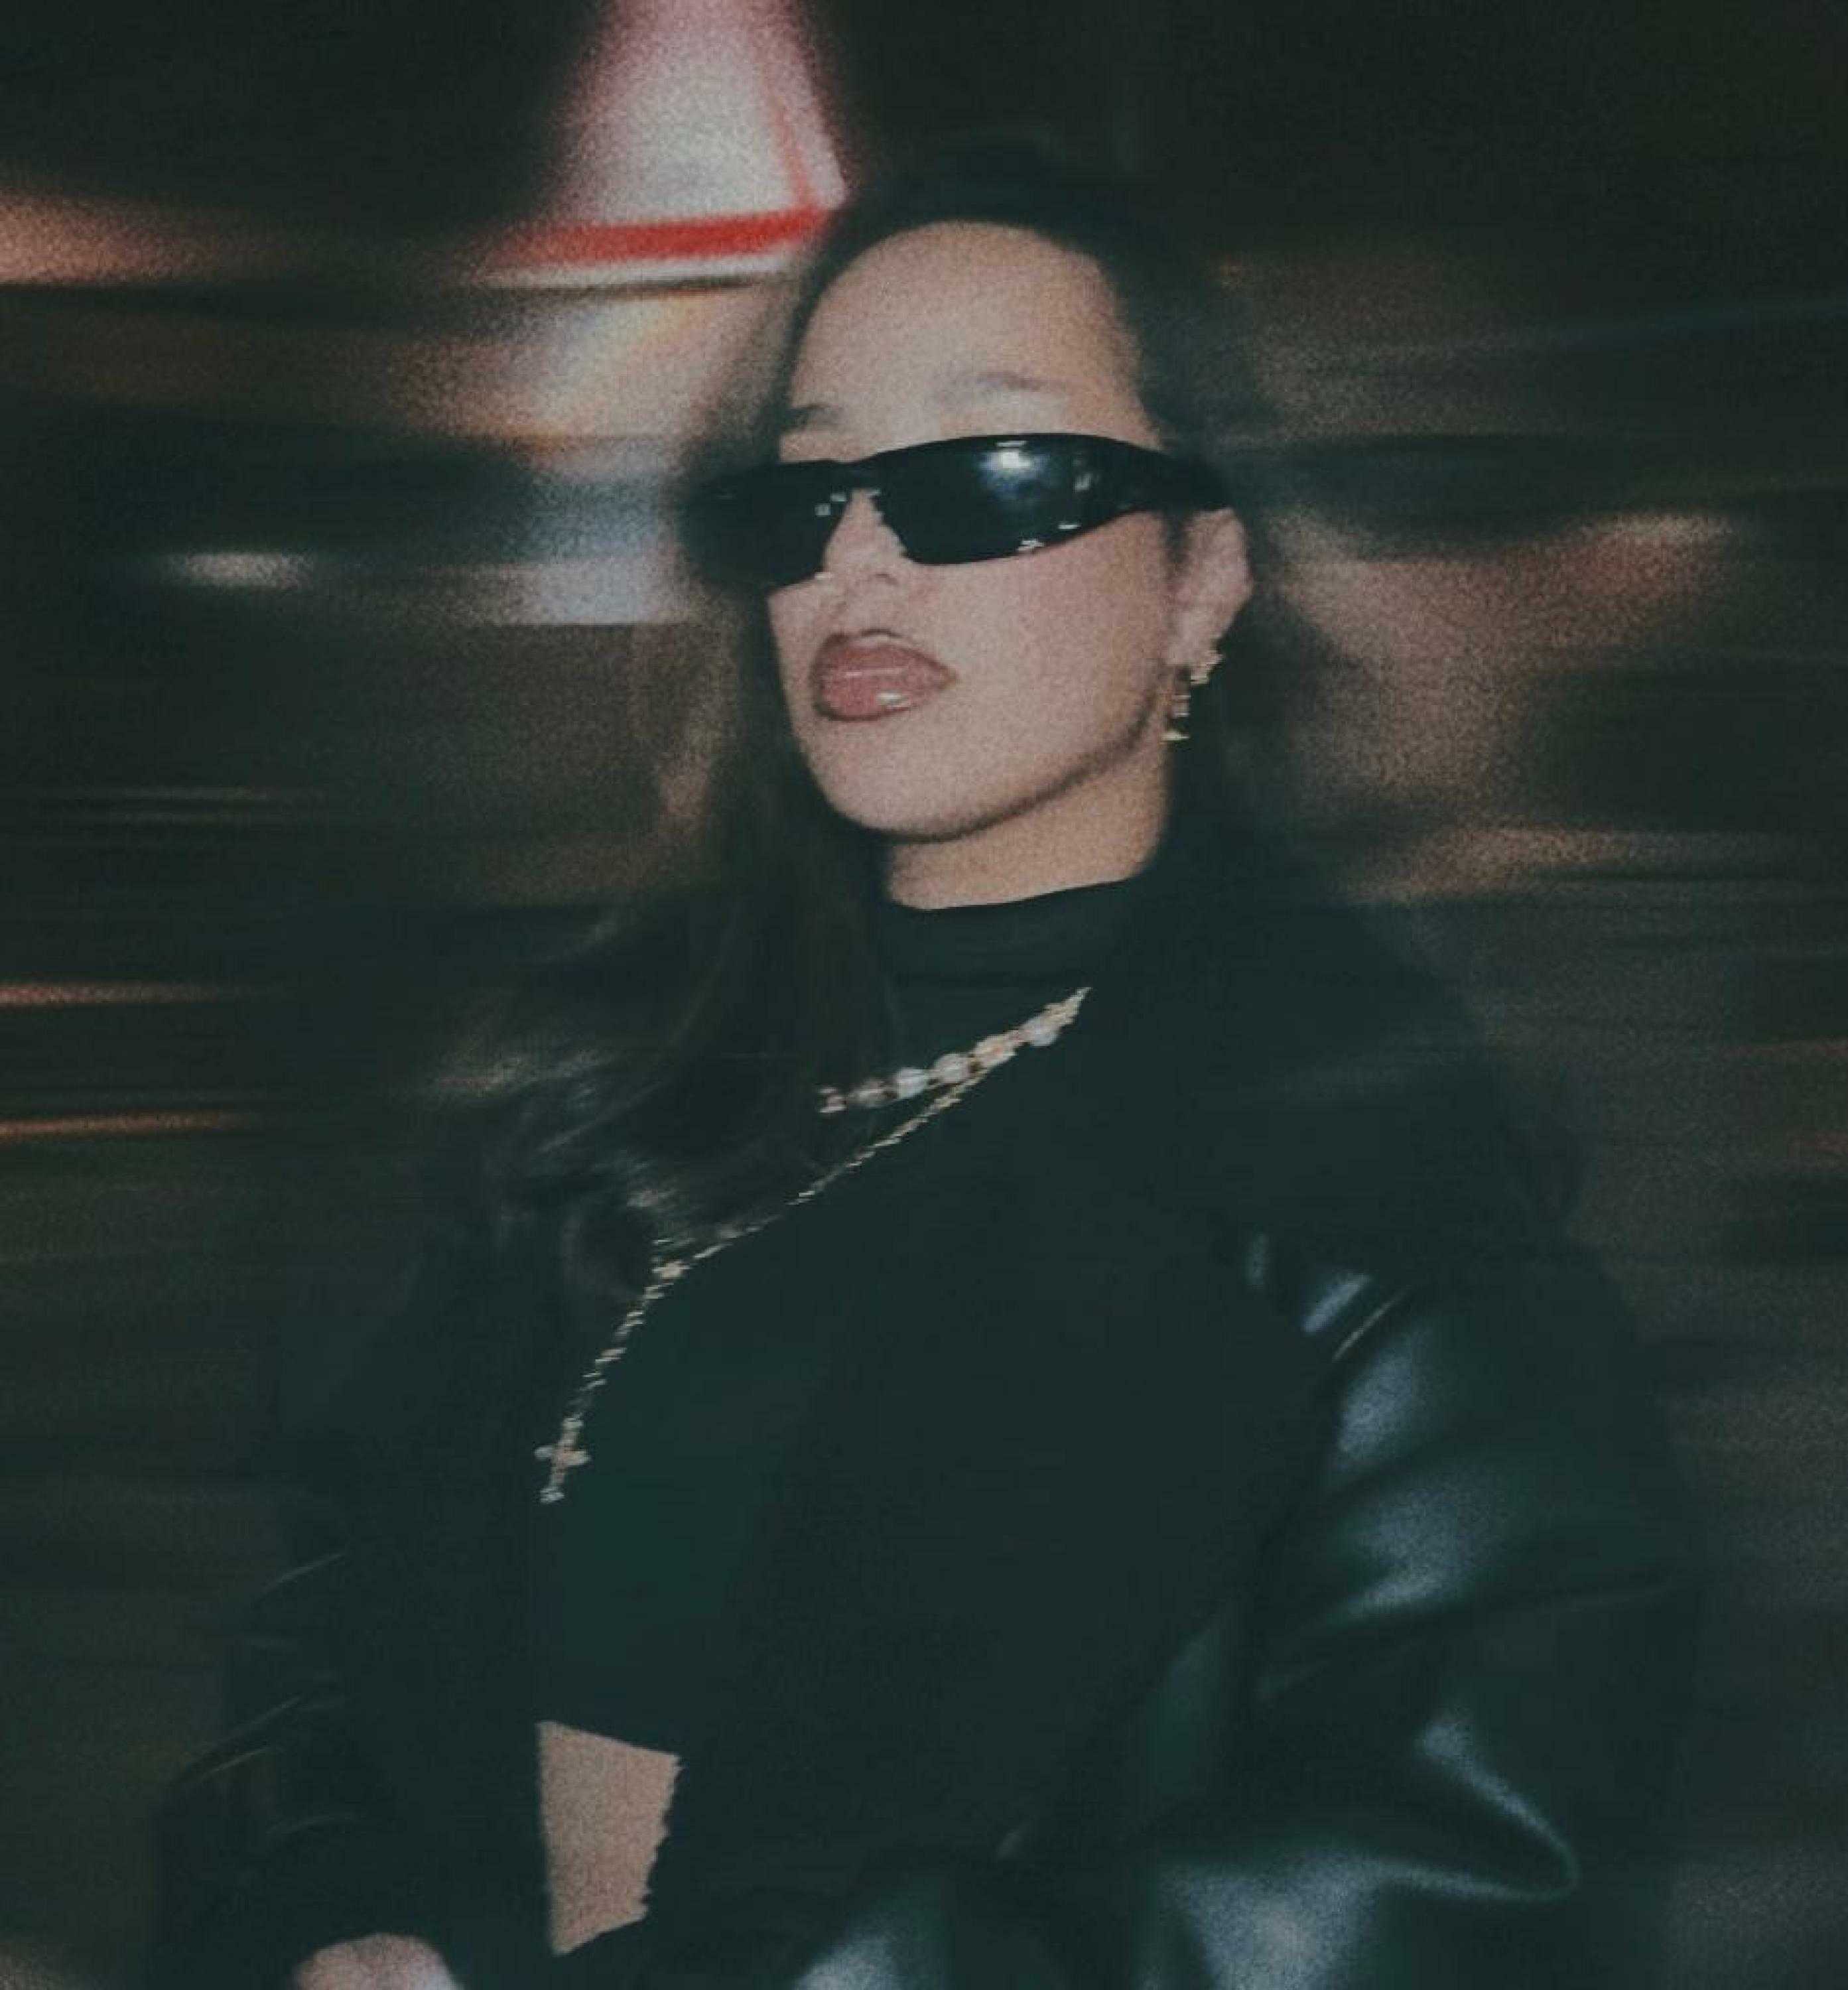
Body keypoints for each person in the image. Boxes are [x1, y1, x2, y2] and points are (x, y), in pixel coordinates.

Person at [151, 147, 1700, 1990]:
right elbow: (323, 1646)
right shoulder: (596, 1096)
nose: (860, 558)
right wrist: (324, 1916)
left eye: (994, 478)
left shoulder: (1372, 1203)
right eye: (806, 494)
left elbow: (1455, 1879)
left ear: (1202, 579)